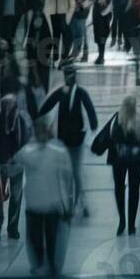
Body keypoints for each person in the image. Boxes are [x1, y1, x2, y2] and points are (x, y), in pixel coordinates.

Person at [17, 118, 76, 277]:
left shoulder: (30, 152)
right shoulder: (32, 152)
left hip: (44, 204)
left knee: (45, 237)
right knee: (46, 237)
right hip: (44, 204)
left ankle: (44, 264)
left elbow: (68, 178)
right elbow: (69, 178)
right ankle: (49, 264)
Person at [39, 64, 99, 218]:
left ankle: (77, 203)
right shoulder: (71, 92)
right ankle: (75, 203)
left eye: (68, 75)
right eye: (67, 74)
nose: (67, 77)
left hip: (70, 140)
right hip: (69, 140)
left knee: (72, 172)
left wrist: (93, 126)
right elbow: (46, 107)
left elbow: (44, 108)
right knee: (71, 173)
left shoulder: (72, 92)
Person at [98, 94, 140, 235]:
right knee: (134, 191)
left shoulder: (116, 120)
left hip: (119, 161)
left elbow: (106, 137)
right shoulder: (139, 122)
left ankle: (122, 221)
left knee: (119, 189)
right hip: (135, 162)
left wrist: (100, 147)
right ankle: (131, 225)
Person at [0, 93, 33, 243]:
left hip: (17, 166)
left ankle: (13, 228)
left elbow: (27, 141)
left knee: (16, 199)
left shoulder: (21, 121)